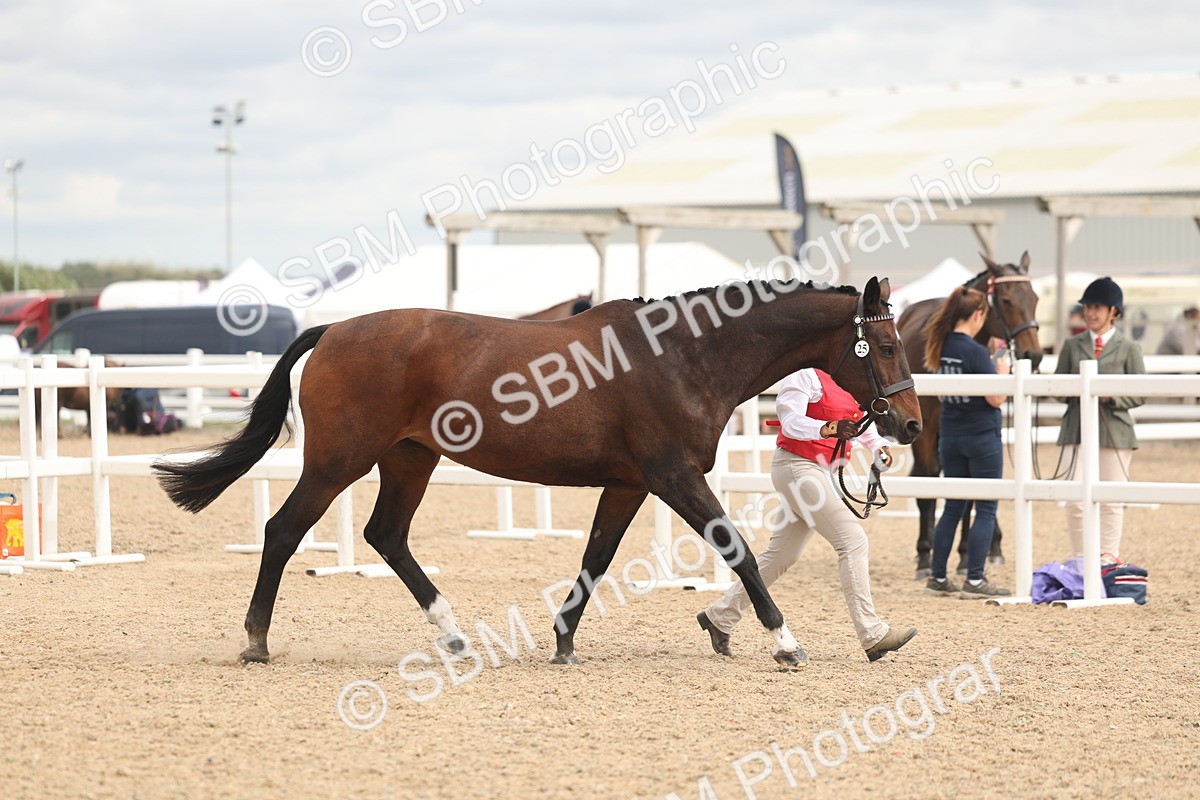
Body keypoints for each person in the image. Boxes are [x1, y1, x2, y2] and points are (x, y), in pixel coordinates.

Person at [695, 368, 917, 664]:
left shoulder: (847, 381)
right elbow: (791, 422)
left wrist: (878, 447)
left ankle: (719, 616)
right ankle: (873, 634)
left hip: (816, 472)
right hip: (797, 467)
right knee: (852, 541)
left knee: (781, 555)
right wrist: (827, 429)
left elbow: (859, 424)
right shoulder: (805, 376)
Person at [922, 287, 1011, 599]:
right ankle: (975, 579)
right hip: (981, 435)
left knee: (953, 507)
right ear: (977, 315)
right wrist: (1003, 370)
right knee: (986, 508)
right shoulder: (975, 351)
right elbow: (996, 397)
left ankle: (937, 575)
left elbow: (944, 394)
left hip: (951, 433)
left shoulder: (941, 346)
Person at [1056, 277, 1145, 559]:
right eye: (1088, 307)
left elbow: (1140, 392)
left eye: (1098, 308)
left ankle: (1108, 559)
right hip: (1077, 428)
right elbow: (1058, 388)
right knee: (1074, 500)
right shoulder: (1071, 345)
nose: (1091, 313)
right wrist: (1075, 391)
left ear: (1113, 312)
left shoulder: (1129, 348)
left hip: (1114, 431)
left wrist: (1111, 396)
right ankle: (1082, 559)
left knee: (1111, 501)